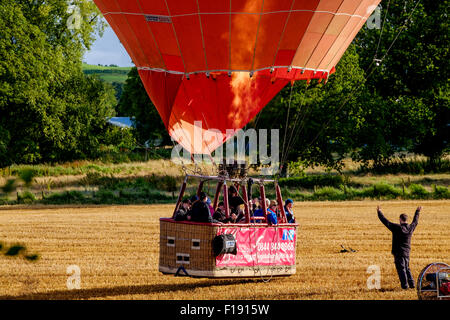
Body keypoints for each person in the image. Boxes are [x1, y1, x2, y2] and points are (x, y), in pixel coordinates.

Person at [377, 205, 421, 289]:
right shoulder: (410, 228)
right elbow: (415, 222)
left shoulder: (397, 228)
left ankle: (405, 286)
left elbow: (386, 222)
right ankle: (412, 284)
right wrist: (417, 212)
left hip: (398, 252)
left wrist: (379, 212)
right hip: (407, 252)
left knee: (401, 269)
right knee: (407, 268)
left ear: (400, 219)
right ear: (406, 220)